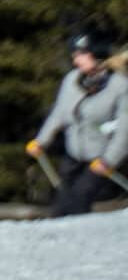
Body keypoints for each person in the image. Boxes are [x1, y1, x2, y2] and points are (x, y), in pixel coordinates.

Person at [27, 26, 128, 218]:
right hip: (73, 157)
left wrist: (109, 160)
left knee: (79, 201)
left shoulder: (120, 86)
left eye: (81, 54)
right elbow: (59, 113)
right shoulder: (72, 80)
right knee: (61, 205)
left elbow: (125, 130)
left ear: (97, 53)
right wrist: (41, 141)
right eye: (75, 55)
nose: (76, 60)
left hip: (100, 160)